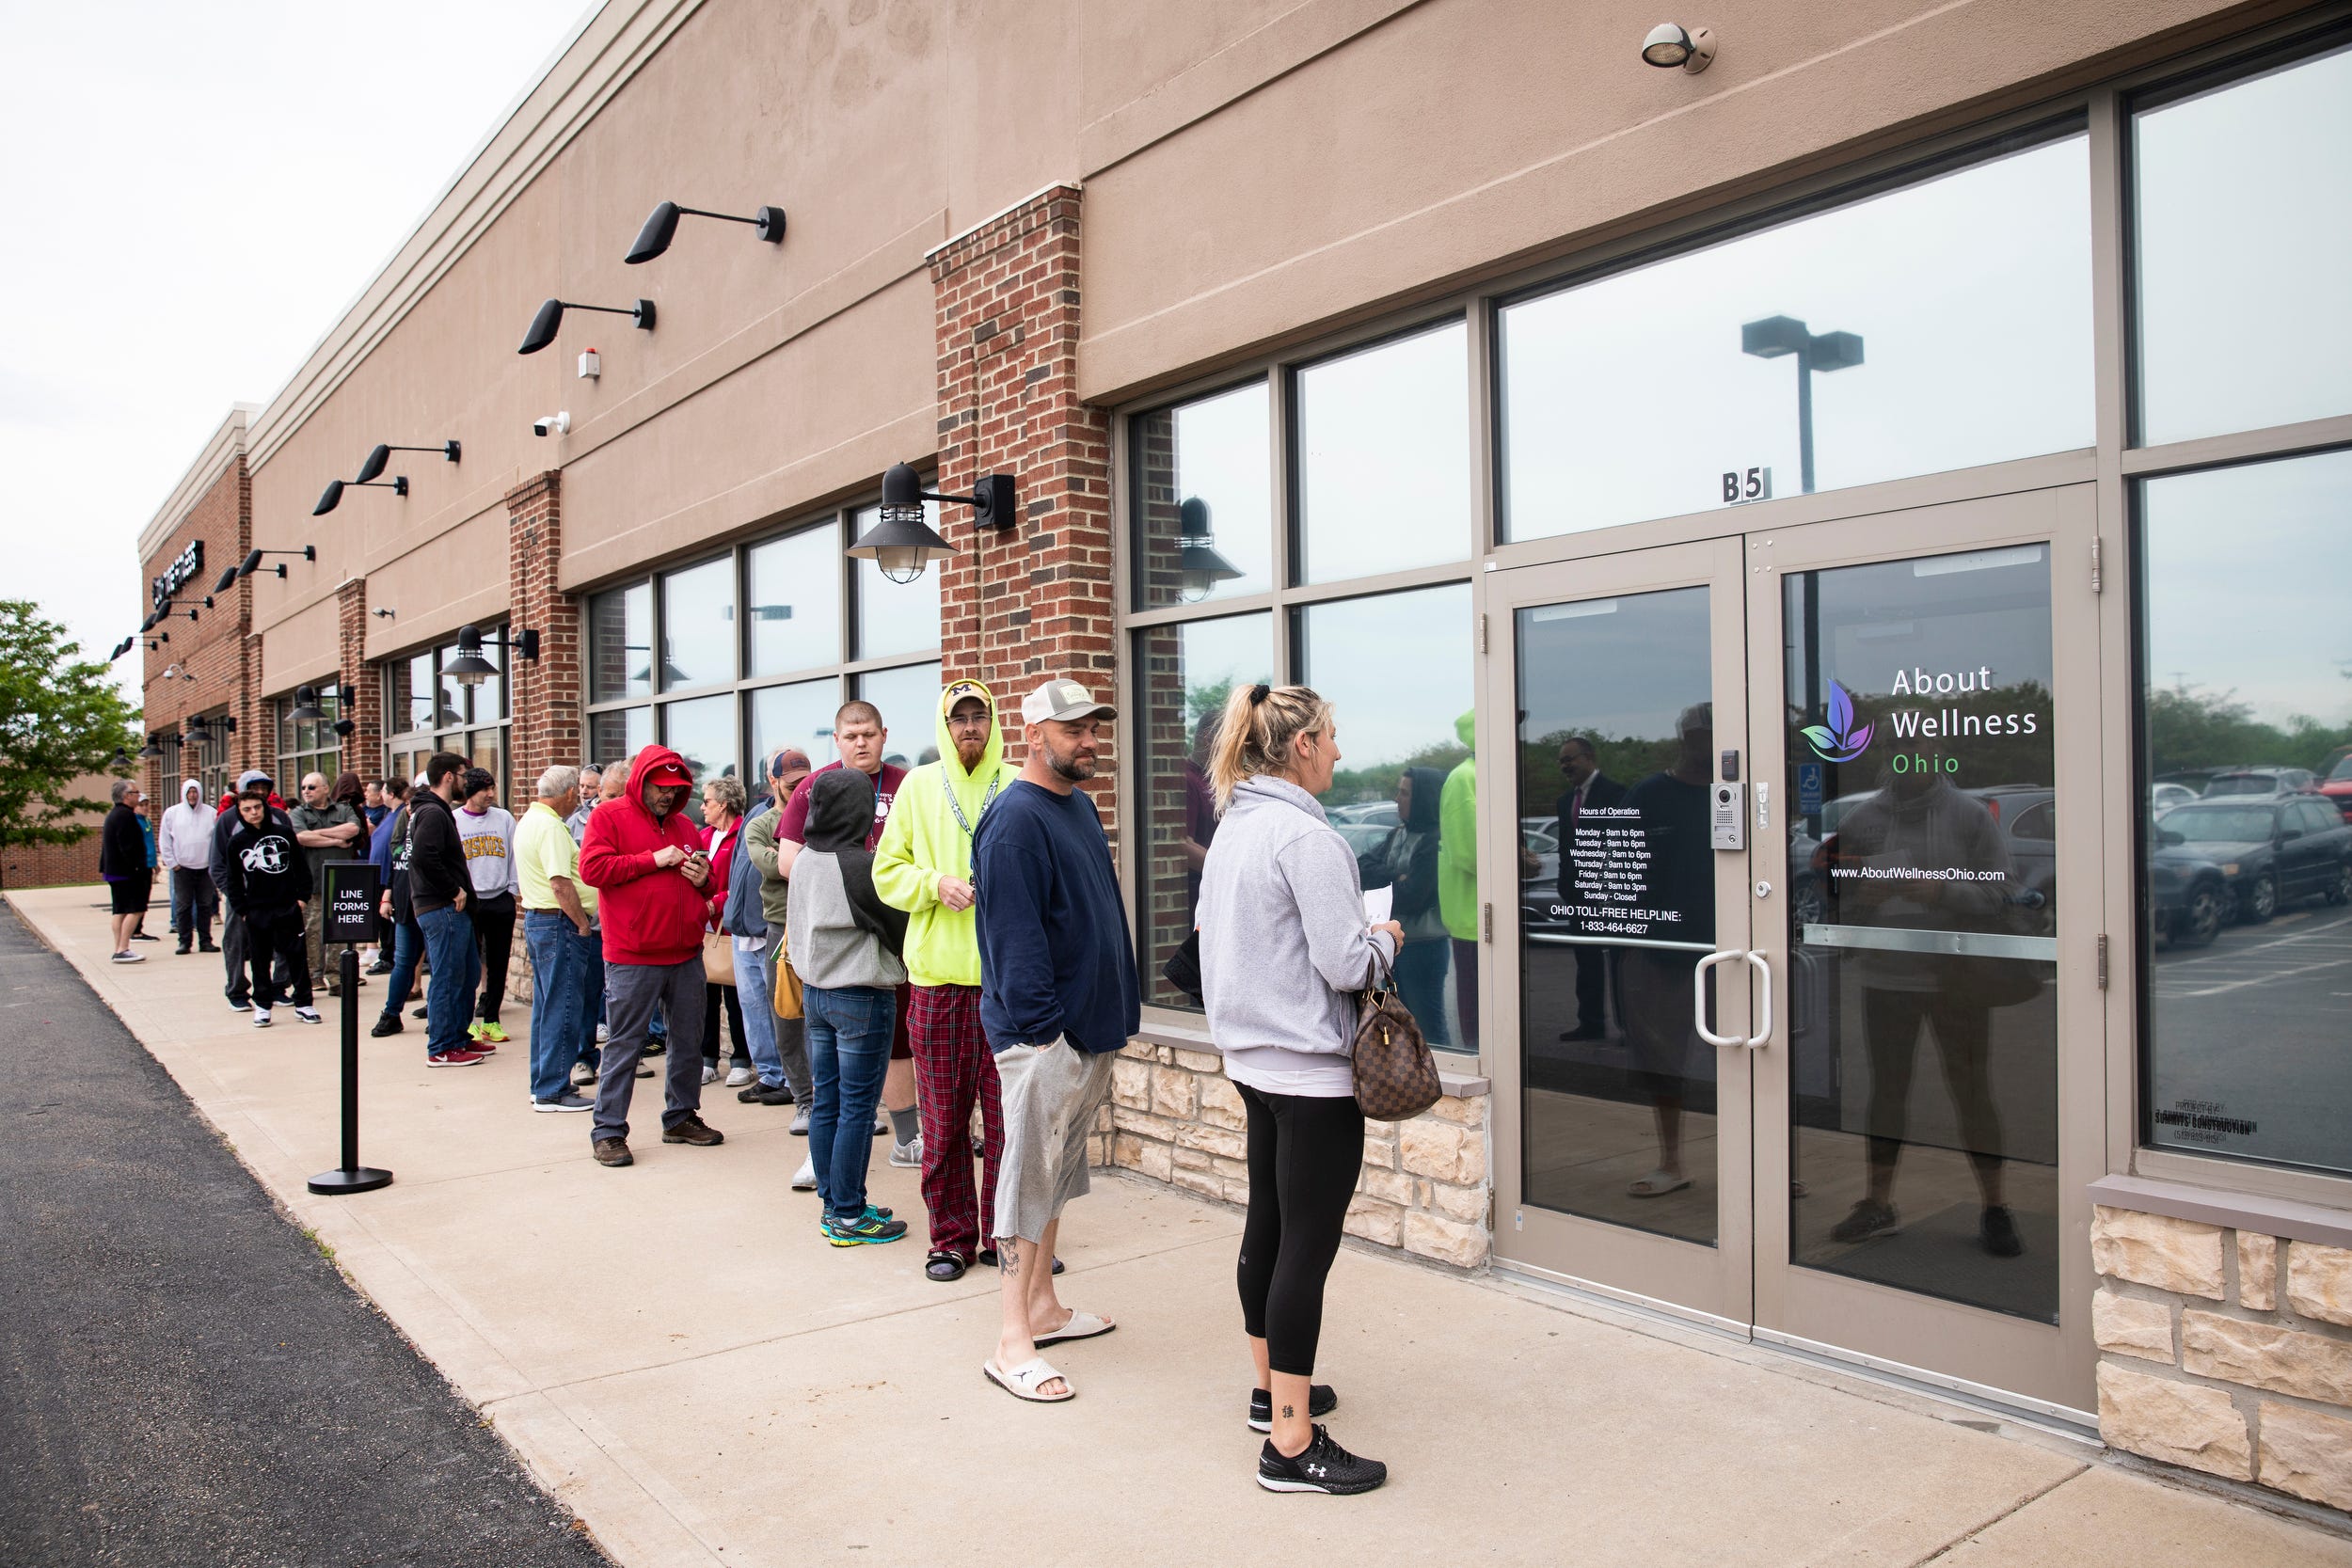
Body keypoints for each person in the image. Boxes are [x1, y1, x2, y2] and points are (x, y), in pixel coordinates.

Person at [1199, 680, 1400, 1494]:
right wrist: (1384, 936)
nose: (1341, 752)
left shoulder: (1236, 829)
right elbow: (1346, 965)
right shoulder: (1308, 840)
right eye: (1332, 736)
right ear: (1303, 745)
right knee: (1303, 1251)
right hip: (1312, 1076)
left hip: (1252, 1065)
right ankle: (1290, 1444)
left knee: (1270, 1228)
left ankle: (1269, 1389)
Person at [971, 677, 1140, 1403]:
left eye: (1094, 727)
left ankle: (1043, 1306)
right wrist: (1047, 1041)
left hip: (1088, 1030)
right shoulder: (1013, 821)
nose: (1090, 740)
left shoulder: (1077, 806)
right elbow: (1014, 944)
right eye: (1074, 729)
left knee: (1060, 1171)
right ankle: (1012, 1341)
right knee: (1027, 1179)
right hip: (1044, 1041)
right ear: (1033, 730)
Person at [1824, 768, 2023, 1259]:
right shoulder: (1863, 818)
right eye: (1896, 745)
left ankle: (1995, 1207)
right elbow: (1834, 895)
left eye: (1917, 742)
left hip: (1956, 978)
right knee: (1887, 1092)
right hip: (1885, 979)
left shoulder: (1969, 815)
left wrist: (1938, 891)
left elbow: (2001, 892)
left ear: (1934, 749)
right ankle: (1877, 1203)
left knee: (1972, 1092)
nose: (1907, 754)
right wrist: (1860, 899)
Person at [875, 678, 1021, 1281]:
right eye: (958, 718)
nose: (969, 728)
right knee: (944, 1121)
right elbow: (886, 872)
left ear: (992, 723)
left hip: (1010, 988)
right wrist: (934, 885)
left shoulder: (1017, 786)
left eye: (978, 716)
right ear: (944, 725)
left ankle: (1008, 1238)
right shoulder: (918, 786)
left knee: (1014, 1126)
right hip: (938, 986)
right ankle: (953, 1238)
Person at [772, 701, 920, 1166]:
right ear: (836, 740)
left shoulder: (907, 784)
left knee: (900, 1043)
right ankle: (830, 1175)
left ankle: (906, 1139)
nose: (861, 742)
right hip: (841, 949)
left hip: (900, 937)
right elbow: (788, 861)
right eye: (851, 736)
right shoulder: (818, 786)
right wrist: (858, 877)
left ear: (884, 734)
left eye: (869, 734)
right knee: (842, 1080)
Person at [578, 743, 722, 1166]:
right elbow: (593, 870)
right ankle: (607, 1131)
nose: (666, 794)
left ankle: (680, 1117)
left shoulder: (683, 825)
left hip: (684, 952)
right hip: (632, 953)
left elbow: (709, 884)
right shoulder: (608, 816)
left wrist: (703, 878)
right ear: (641, 782)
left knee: (688, 1041)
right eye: (660, 787)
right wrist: (651, 859)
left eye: (675, 788)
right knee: (625, 1043)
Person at [788, 769, 911, 1244]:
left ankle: (834, 1202)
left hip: (816, 994)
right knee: (859, 1109)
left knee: (829, 1104)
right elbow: (898, 930)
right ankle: (849, 1215)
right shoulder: (859, 865)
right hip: (860, 995)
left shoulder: (806, 859)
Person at [1615, 704, 1716, 1200]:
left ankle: (1767, 1167)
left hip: (1734, 952)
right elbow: (1615, 869)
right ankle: (1672, 1159)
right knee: (1664, 1060)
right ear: (1684, 737)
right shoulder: (1651, 794)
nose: (1706, 741)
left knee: (1755, 1059)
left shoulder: (1738, 791)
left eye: (1714, 732)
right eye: (1699, 733)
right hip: (1662, 950)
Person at [742, 748, 818, 1181]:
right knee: (788, 1016)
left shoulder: (816, 813)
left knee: (826, 1017)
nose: (800, 791)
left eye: (805, 782)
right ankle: (804, 1099)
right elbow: (777, 867)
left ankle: (836, 1103)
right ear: (773, 783)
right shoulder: (761, 826)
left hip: (822, 926)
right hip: (782, 930)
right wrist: (816, 859)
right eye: (792, 785)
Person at [517, 765, 600, 1113]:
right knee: (564, 1007)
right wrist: (582, 923)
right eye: (576, 792)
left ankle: (543, 1084)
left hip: (542, 922)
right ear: (568, 793)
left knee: (547, 1007)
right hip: (559, 924)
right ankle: (554, 1089)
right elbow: (560, 882)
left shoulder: (528, 820)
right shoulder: (551, 826)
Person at [407, 753, 489, 1068]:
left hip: (448, 908)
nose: (467, 781)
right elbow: (424, 857)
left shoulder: (434, 811)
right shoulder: (431, 813)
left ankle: (458, 1037)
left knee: (466, 972)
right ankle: (442, 1046)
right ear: (448, 777)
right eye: (463, 774)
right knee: (448, 976)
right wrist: (452, 889)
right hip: (441, 907)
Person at [213, 784, 318, 1027]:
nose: (253, 812)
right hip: (257, 910)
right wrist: (242, 910)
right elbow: (233, 880)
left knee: (297, 957)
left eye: (257, 807)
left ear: (265, 808)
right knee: (260, 961)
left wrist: (301, 898)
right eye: (247, 809)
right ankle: (262, 1006)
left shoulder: (284, 833)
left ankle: (304, 1003)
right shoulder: (237, 842)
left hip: (288, 906)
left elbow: (301, 868)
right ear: (240, 812)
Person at [1364, 766, 1450, 1047]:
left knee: (1428, 1027)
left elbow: (1414, 896)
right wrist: (1394, 875)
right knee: (1398, 1027)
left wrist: (1385, 882)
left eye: (1404, 793)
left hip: (1423, 946)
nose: (1396, 799)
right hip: (1394, 944)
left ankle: (1435, 1079)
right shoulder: (1398, 834)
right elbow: (1361, 867)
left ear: (1422, 798)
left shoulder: (1435, 839)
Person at [716, 763, 784, 1111]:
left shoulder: (798, 817)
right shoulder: (758, 815)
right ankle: (770, 1075)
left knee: (781, 1008)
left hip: (771, 929)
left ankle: (789, 1077)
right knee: (753, 1006)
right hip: (742, 930)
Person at [1552, 736, 1626, 1042]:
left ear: (1590, 757)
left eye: (1571, 759)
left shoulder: (1617, 794)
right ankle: (1591, 1023)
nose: (1566, 766)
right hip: (1578, 896)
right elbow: (1566, 850)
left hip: (1611, 894)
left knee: (1620, 963)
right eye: (1562, 761)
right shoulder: (1565, 801)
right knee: (1587, 962)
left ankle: (1629, 1027)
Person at [213, 769, 291, 1010]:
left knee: (284, 943)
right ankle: (237, 990)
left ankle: (278, 987)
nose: (259, 793)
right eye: (254, 788)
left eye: (263, 788)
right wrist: (234, 895)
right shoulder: (227, 820)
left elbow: (292, 856)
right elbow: (217, 864)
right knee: (236, 942)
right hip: (243, 897)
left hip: (278, 895)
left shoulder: (280, 818)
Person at [455, 768, 519, 1046]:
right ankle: (467, 1022)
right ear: (470, 791)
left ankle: (491, 1019)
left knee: (498, 963)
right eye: (485, 789)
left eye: (493, 787)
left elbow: (514, 855)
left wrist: (512, 891)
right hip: (470, 902)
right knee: (469, 965)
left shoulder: (504, 817)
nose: (491, 794)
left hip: (500, 899)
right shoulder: (454, 820)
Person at [696, 775, 753, 1086]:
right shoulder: (704, 836)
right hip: (704, 928)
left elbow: (741, 883)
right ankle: (707, 1058)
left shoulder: (741, 834)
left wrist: (715, 903)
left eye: (707, 801)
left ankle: (741, 1059)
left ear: (724, 804)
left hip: (730, 925)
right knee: (705, 995)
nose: (702, 807)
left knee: (734, 995)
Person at [289, 771, 365, 995]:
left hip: (341, 882)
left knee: (339, 931)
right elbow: (301, 837)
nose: (306, 791)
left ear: (325, 788)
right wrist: (334, 840)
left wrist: (317, 834)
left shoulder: (343, 809)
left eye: (311, 787)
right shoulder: (298, 813)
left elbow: (353, 829)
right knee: (313, 930)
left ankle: (337, 977)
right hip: (313, 882)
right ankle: (314, 975)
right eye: (303, 788)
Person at [369, 777, 425, 1037]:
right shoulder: (403, 834)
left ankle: (437, 1014)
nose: (411, 810)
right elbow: (395, 867)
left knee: (440, 965)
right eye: (409, 806)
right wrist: (387, 897)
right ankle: (391, 1014)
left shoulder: (431, 830)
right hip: (404, 906)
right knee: (403, 962)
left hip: (431, 906)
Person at [1437, 709, 1479, 1050]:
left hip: (1487, 917)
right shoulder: (1464, 777)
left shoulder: (1491, 772)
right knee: (1478, 1016)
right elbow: (1469, 851)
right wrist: (1517, 862)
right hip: (1472, 919)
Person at [157, 778, 220, 955]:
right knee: (183, 906)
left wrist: (214, 864)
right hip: (182, 868)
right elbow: (165, 840)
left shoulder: (211, 813)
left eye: (195, 792)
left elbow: (217, 840)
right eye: (189, 792)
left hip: (205, 869)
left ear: (200, 793)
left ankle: (205, 941)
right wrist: (172, 863)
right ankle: (184, 942)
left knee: (205, 905)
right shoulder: (172, 813)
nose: (192, 795)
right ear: (184, 794)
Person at [99, 779, 151, 963]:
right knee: (136, 909)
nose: (138, 795)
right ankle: (123, 948)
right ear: (126, 796)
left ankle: (118, 947)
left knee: (119, 910)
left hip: (114, 870)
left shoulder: (114, 814)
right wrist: (138, 868)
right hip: (126, 872)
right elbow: (128, 846)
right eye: (136, 792)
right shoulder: (125, 816)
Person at [365, 777, 410, 974]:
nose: (381, 795)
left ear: (391, 794)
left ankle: (389, 956)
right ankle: (386, 954)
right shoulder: (388, 814)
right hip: (380, 874)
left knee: (389, 921)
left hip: (390, 875)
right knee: (383, 920)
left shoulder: (402, 815)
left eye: (383, 791)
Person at [566, 766, 602, 845]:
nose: (584, 791)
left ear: (601, 789)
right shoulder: (572, 818)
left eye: (590, 787)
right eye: (581, 786)